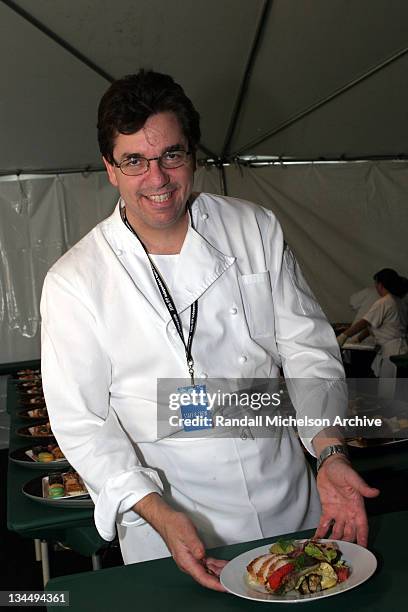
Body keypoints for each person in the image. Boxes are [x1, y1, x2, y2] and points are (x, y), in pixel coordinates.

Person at [40, 70, 379, 591]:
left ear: (193, 155)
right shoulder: (76, 280)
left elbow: (308, 349)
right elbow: (83, 422)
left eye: (171, 155)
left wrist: (329, 449)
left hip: (291, 499)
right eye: (134, 161)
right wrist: (155, 511)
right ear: (110, 169)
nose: (157, 178)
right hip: (172, 521)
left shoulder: (254, 227)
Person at [337, 268, 408, 377]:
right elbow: (373, 324)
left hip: (392, 353)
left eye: (376, 283)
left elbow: (365, 322)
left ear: (380, 285)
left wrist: (343, 336)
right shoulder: (399, 301)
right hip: (401, 351)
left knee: (389, 390)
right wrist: (358, 339)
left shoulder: (384, 302)